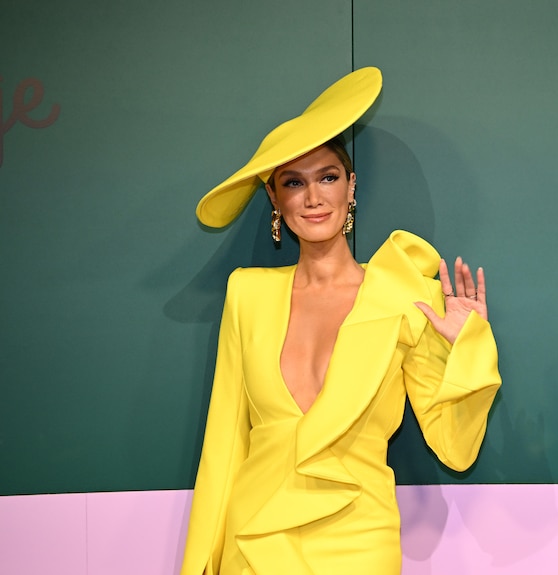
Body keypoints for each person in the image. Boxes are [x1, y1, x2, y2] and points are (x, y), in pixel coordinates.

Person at [180, 67, 501, 575]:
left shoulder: (400, 295)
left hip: (359, 538)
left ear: (351, 187)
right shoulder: (247, 294)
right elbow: (223, 443)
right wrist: (200, 561)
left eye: (328, 177)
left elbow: (455, 449)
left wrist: (465, 348)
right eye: (293, 182)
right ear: (274, 198)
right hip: (257, 533)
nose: (313, 198)